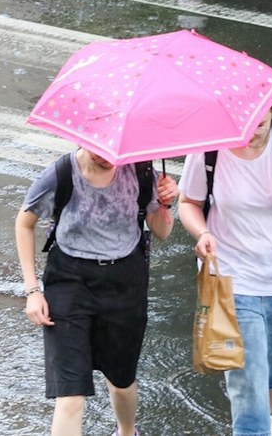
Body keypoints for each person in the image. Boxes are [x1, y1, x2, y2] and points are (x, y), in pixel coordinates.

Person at [177, 97, 272, 436]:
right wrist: (201, 232)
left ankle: (266, 419)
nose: (248, 131)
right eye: (240, 123)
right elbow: (188, 202)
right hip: (235, 282)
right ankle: (255, 427)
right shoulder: (209, 150)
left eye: (257, 123)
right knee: (247, 384)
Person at [15, 148, 178, 436]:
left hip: (124, 282)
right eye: (97, 151)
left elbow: (162, 232)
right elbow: (24, 223)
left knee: (121, 381)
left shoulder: (140, 172)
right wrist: (32, 291)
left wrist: (165, 202)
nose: (105, 158)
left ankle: (126, 431)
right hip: (69, 282)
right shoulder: (61, 173)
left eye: (112, 153)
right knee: (70, 393)